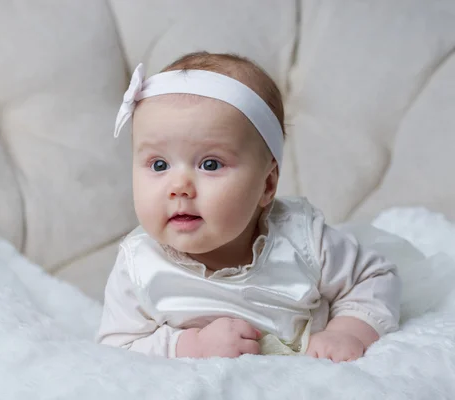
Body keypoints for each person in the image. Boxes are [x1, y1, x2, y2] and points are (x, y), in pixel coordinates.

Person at [96, 52, 401, 362]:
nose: (179, 187)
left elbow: (374, 278)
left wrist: (347, 331)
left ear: (267, 185)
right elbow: (115, 349)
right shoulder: (138, 266)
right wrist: (188, 347)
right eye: (159, 164)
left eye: (210, 164)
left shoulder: (303, 240)